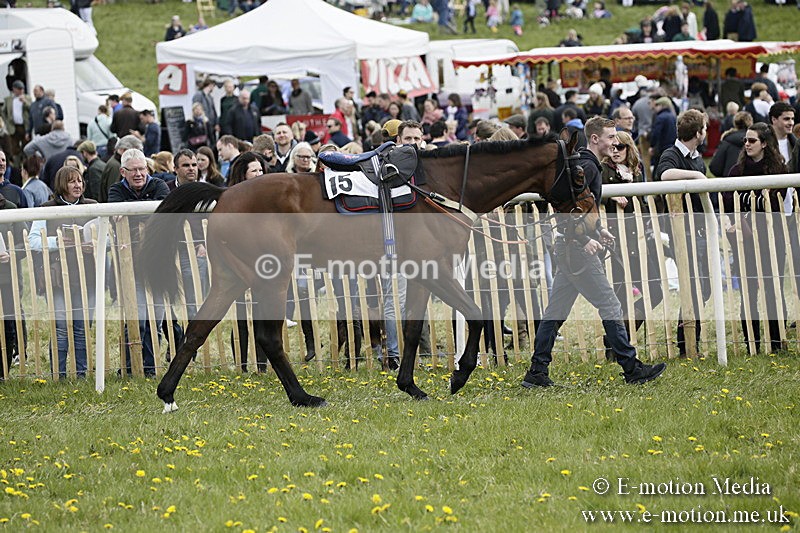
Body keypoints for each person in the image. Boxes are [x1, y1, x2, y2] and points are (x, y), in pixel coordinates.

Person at [521, 116, 667, 388]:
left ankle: (537, 372)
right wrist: (582, 239)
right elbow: (566, 205)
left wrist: (597, 229)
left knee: (556, 312)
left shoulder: (585, 164)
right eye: (611, 137)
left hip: (570, 247)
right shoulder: (587, 166)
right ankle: (631, 368)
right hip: (576, 249)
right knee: (610, 305)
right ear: (596, 138)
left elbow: (582, 208)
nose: (616, 142)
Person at [723, 123, 786, 353]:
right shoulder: (736, 171)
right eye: (746, 141)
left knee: (773, 287)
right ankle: (752, 343)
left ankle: (777, 342)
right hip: (744, 240)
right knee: (748, 291)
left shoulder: (779, 170)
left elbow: (775, 200)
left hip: (772, 236)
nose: (747, 144)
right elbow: (729, 203)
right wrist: (753, 206)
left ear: (765, 143)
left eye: (752, 140)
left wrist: (747, 207)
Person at [655, 109, 714, 357]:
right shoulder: (672, 154)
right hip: (683, 232)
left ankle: (689, 341)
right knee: (694, 287)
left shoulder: (696, 155)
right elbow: (664, 175)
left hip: (698, 230)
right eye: (705, 129)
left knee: (704, 287)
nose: (706, 133)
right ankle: (687, 344)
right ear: (697, 132)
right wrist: (696, 175)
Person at [29, 166, 97, 378]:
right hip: (58, 275)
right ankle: (58, 375)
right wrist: (56, 242)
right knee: (60, 327)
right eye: (71, 181)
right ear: (61, 184)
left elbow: (108, 236)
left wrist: (94, 244)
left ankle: (82, 374)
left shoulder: (93, 206)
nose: (78, 185)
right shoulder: (46, 208)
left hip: (87, 273)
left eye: (79, 181)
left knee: (81, 326)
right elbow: (33, 240)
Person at [108, 149, 170, 376]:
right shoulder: (116, 190)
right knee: (137, 318)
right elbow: (116, 217)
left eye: (142, 168)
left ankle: (151, 368)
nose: (138, 174)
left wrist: (133, 217)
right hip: (130, 263)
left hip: (158, 263)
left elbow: (164, 215)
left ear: (148, 169)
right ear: (123, 171)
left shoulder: (159, 186)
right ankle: (129, 367)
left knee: (156, 319)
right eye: (133, 170)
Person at [226, 151, 270, 371]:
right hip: (239, 259)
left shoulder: (270, 198)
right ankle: (242, 365)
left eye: (262, 170)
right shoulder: (233, 198)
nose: (260, 173)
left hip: (264, 258)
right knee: (241, 314)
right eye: (255, 170)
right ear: (243, 175)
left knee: (263, 313)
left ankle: (262, 365)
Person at [98, 134, 143, 203]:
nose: (136, 156)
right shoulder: (116, 166)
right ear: (123, 150)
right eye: (133, 152)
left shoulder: (116, 162)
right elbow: (113, 192)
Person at [709, 110, 752, 177]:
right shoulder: (756, 141)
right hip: (752, 182)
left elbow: (715, 167)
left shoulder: (727, 140)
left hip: (730, 182)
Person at [3, 80, 31, 167]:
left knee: (26, 147)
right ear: (14, 89)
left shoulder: (27, 98)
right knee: (14, 149)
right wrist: (6, 122)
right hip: (13, 127)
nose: (21, 91)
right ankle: (17, 167)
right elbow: (3, 111)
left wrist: (25, 102)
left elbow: (31, 109)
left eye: (22, 89)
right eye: (19, 89)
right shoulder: (8, 99)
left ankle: (27, 166)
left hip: (24, 127)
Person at [648, 96, 677, 171]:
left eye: (657, 105)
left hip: (662, 147)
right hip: (672, 146)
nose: (655, 107)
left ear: (662, 105)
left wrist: (652, 146)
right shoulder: (673, 116)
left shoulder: (660, 117)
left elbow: (656, 133)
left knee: (658, 170)